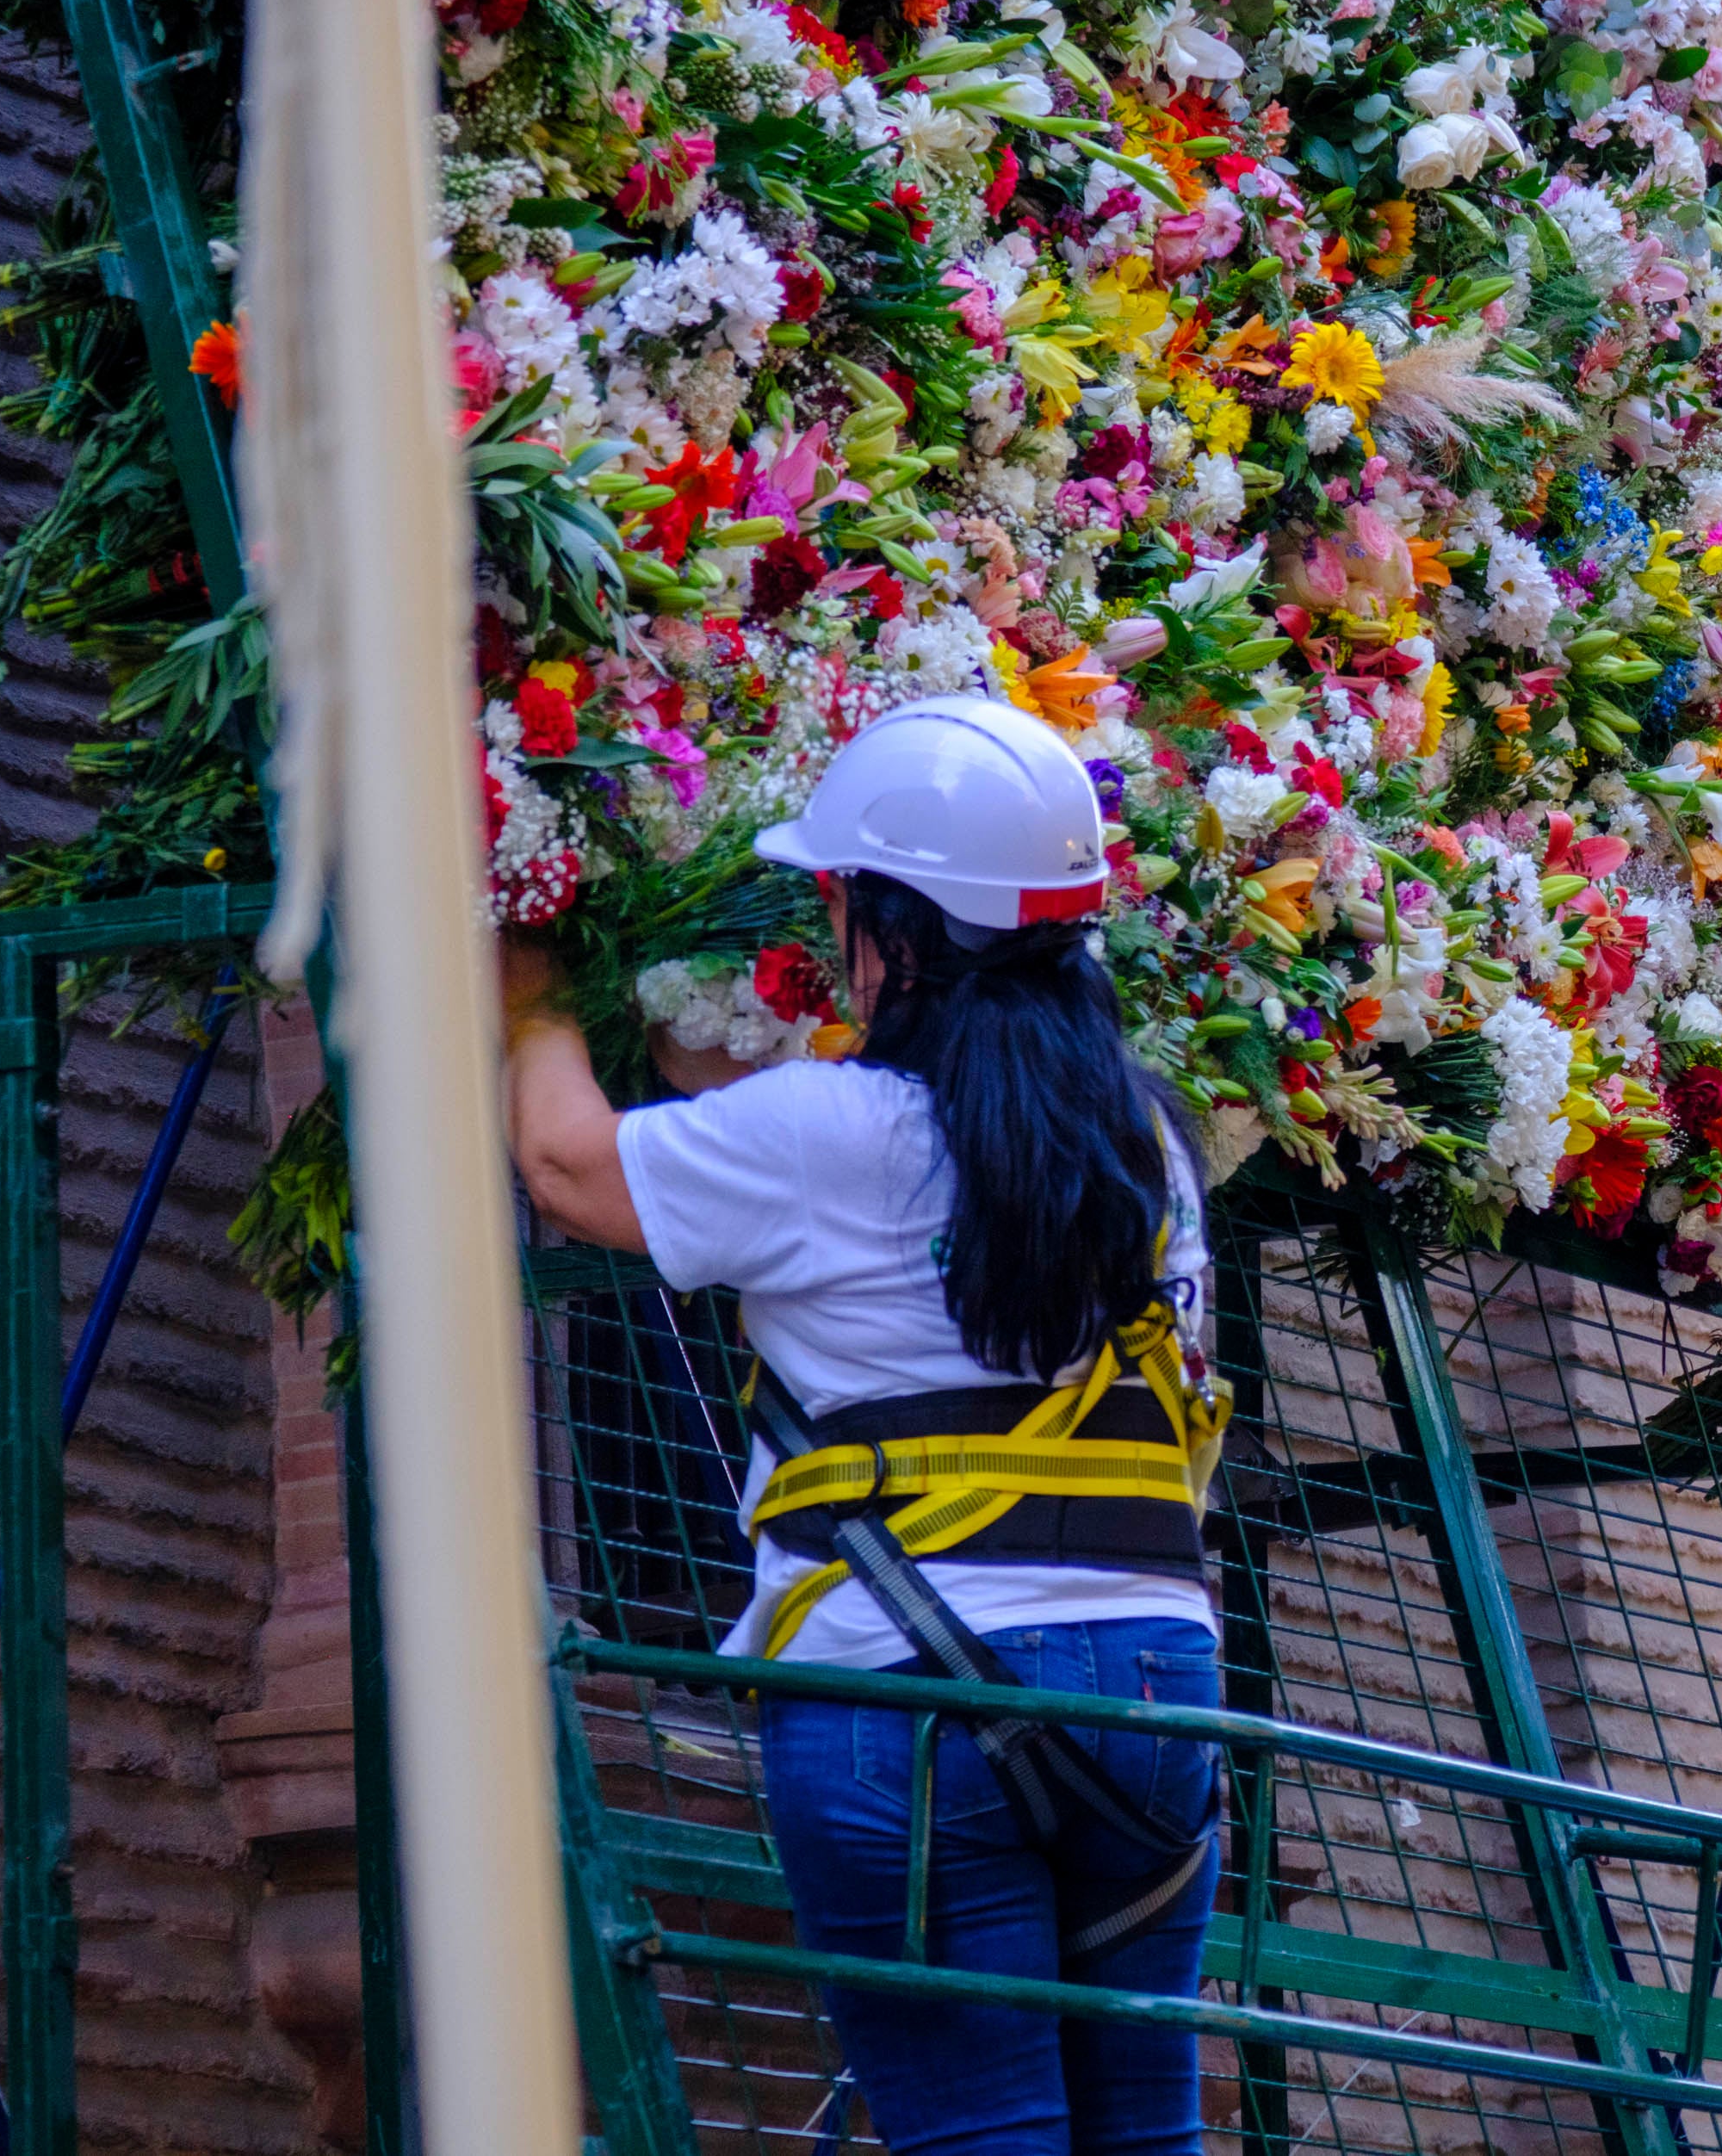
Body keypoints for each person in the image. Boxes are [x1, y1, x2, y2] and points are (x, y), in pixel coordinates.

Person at [502, 695, 1223, 2156]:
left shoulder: (836, 1134)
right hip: (1155, 1692)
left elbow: (571, 1168)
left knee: (981, 2135)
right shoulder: (1151, 1145)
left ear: (895, 934)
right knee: (1142, 2139)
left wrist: (532, 981)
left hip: (910, 1699)